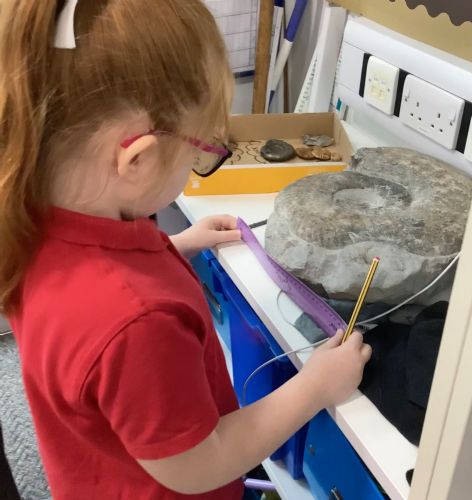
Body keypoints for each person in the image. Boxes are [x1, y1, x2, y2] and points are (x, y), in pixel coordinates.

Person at [0, 1, 372, 498]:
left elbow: (93, 299)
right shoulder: (137, 324)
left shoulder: (34, 225)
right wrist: (317, 386)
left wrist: (176, 247)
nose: (200, 162)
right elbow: (202, 461)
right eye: (202, 151)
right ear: (137, 160)